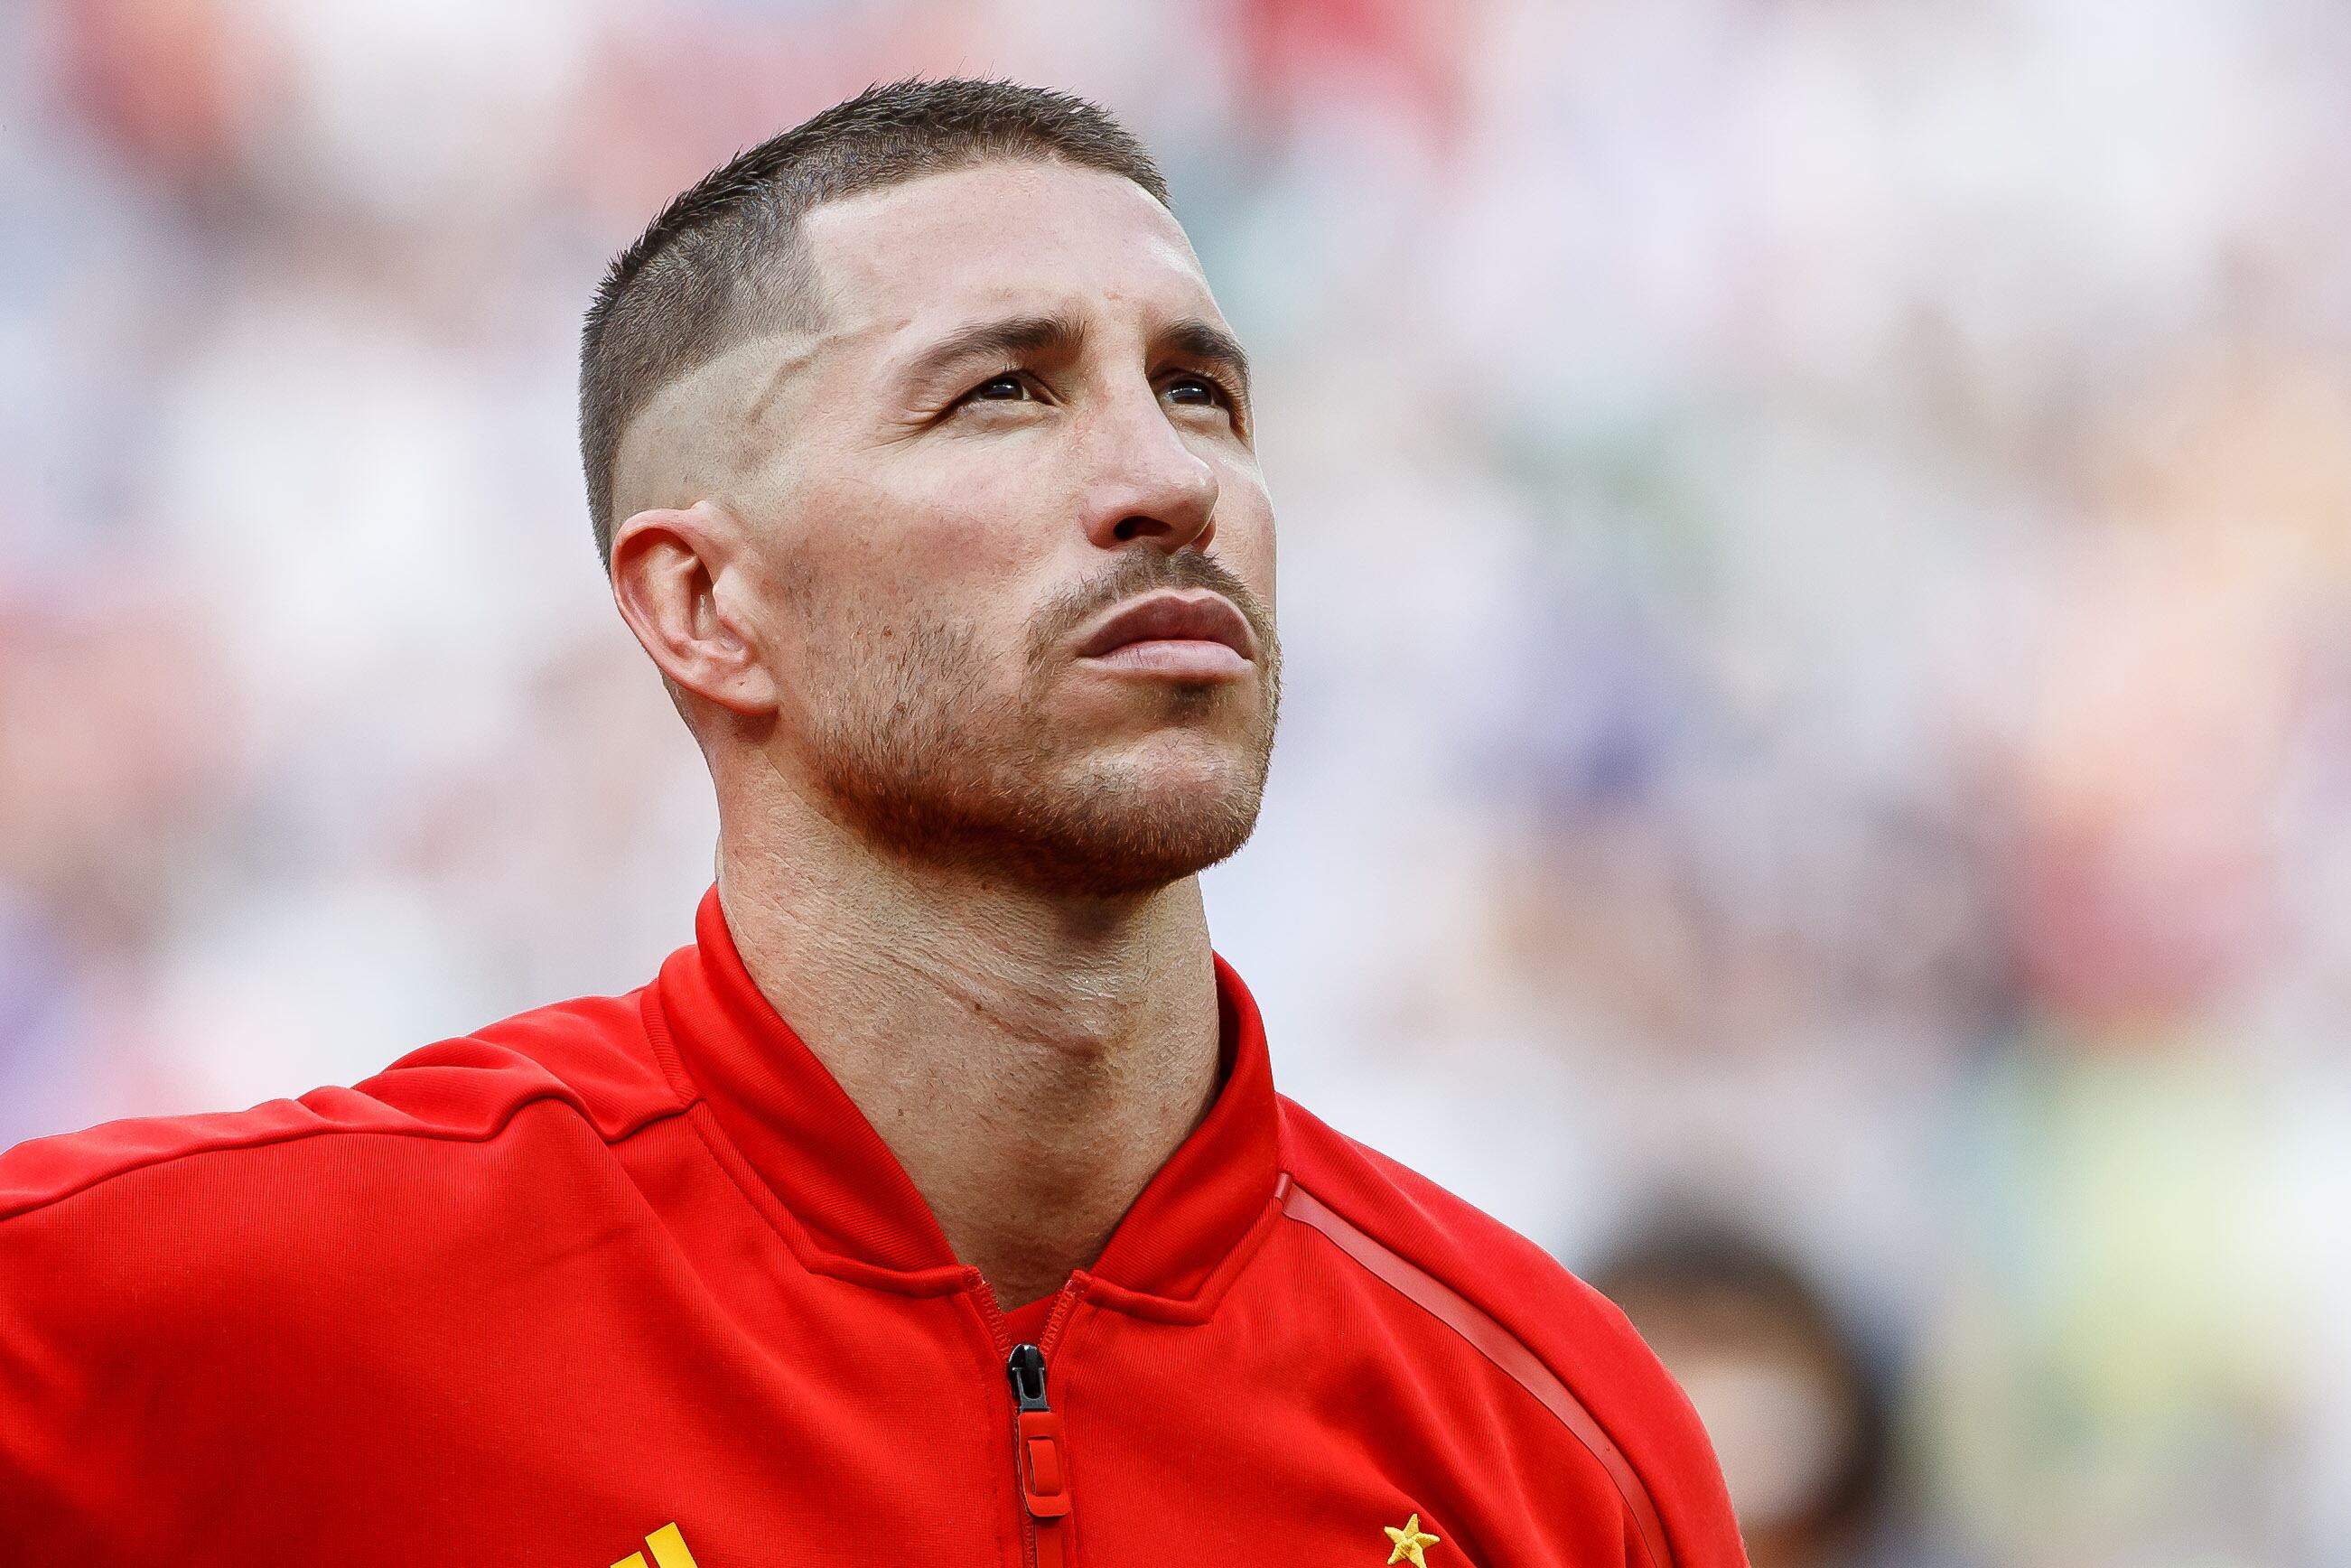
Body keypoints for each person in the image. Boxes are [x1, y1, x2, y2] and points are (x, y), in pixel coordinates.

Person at [0, 79, 1743, 1567]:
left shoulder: (1557, 1441)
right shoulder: (250, 1303)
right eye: (1004, 388)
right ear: (703, 607)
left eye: (1201, 389)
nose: (1170, 478)